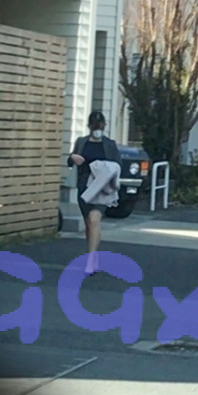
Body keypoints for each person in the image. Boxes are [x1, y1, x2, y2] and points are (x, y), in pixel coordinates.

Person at [67, 111, 122, 275]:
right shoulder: (82, 142)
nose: (97, 129)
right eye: (94, 126)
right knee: (89, 224)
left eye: (99, 126)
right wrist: (73, 158)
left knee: (94, 218)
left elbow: (118, 165)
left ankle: (90, 261)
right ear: (89, 126)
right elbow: (70, 160)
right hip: (85, 186)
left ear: (104, 126)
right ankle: (94, 254)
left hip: (102, 187)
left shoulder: (110, 145)